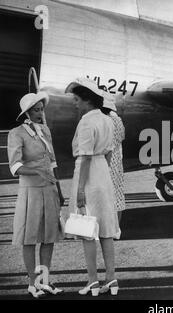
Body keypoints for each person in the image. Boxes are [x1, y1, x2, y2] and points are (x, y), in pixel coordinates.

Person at [63, 78, 121, 296]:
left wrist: (80, 190)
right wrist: (102, 176)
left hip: (87, 176)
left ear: (87, 101)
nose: (75, 104)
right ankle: (112, 280)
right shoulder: (107, 119)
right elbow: (109, 152)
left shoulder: (87, 121)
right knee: (106, 230)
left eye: (77, 100)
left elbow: (85, 157)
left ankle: (93, 281)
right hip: (102, 175)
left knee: (87, 229)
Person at [7, 92, 64, 298]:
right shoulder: (16, 133)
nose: (41, 113)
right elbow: (15, 166)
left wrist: (59, 189)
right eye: (37, 110)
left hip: (49, 190)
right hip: (30, 191)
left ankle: (44, 282)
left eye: (42, 109)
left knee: (49, 238)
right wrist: (38, 171)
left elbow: (53, 162)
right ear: (27, 113)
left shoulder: (45, 131)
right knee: (29, 239)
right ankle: (32, 284)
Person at [102, 93, 126, 223]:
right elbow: (122, 136)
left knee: (104, 195)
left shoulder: (103, 120)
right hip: (117, 158)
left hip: (105, 158)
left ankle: (106, 227)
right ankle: (117, 229)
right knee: (117, 194)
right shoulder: (117, 119)